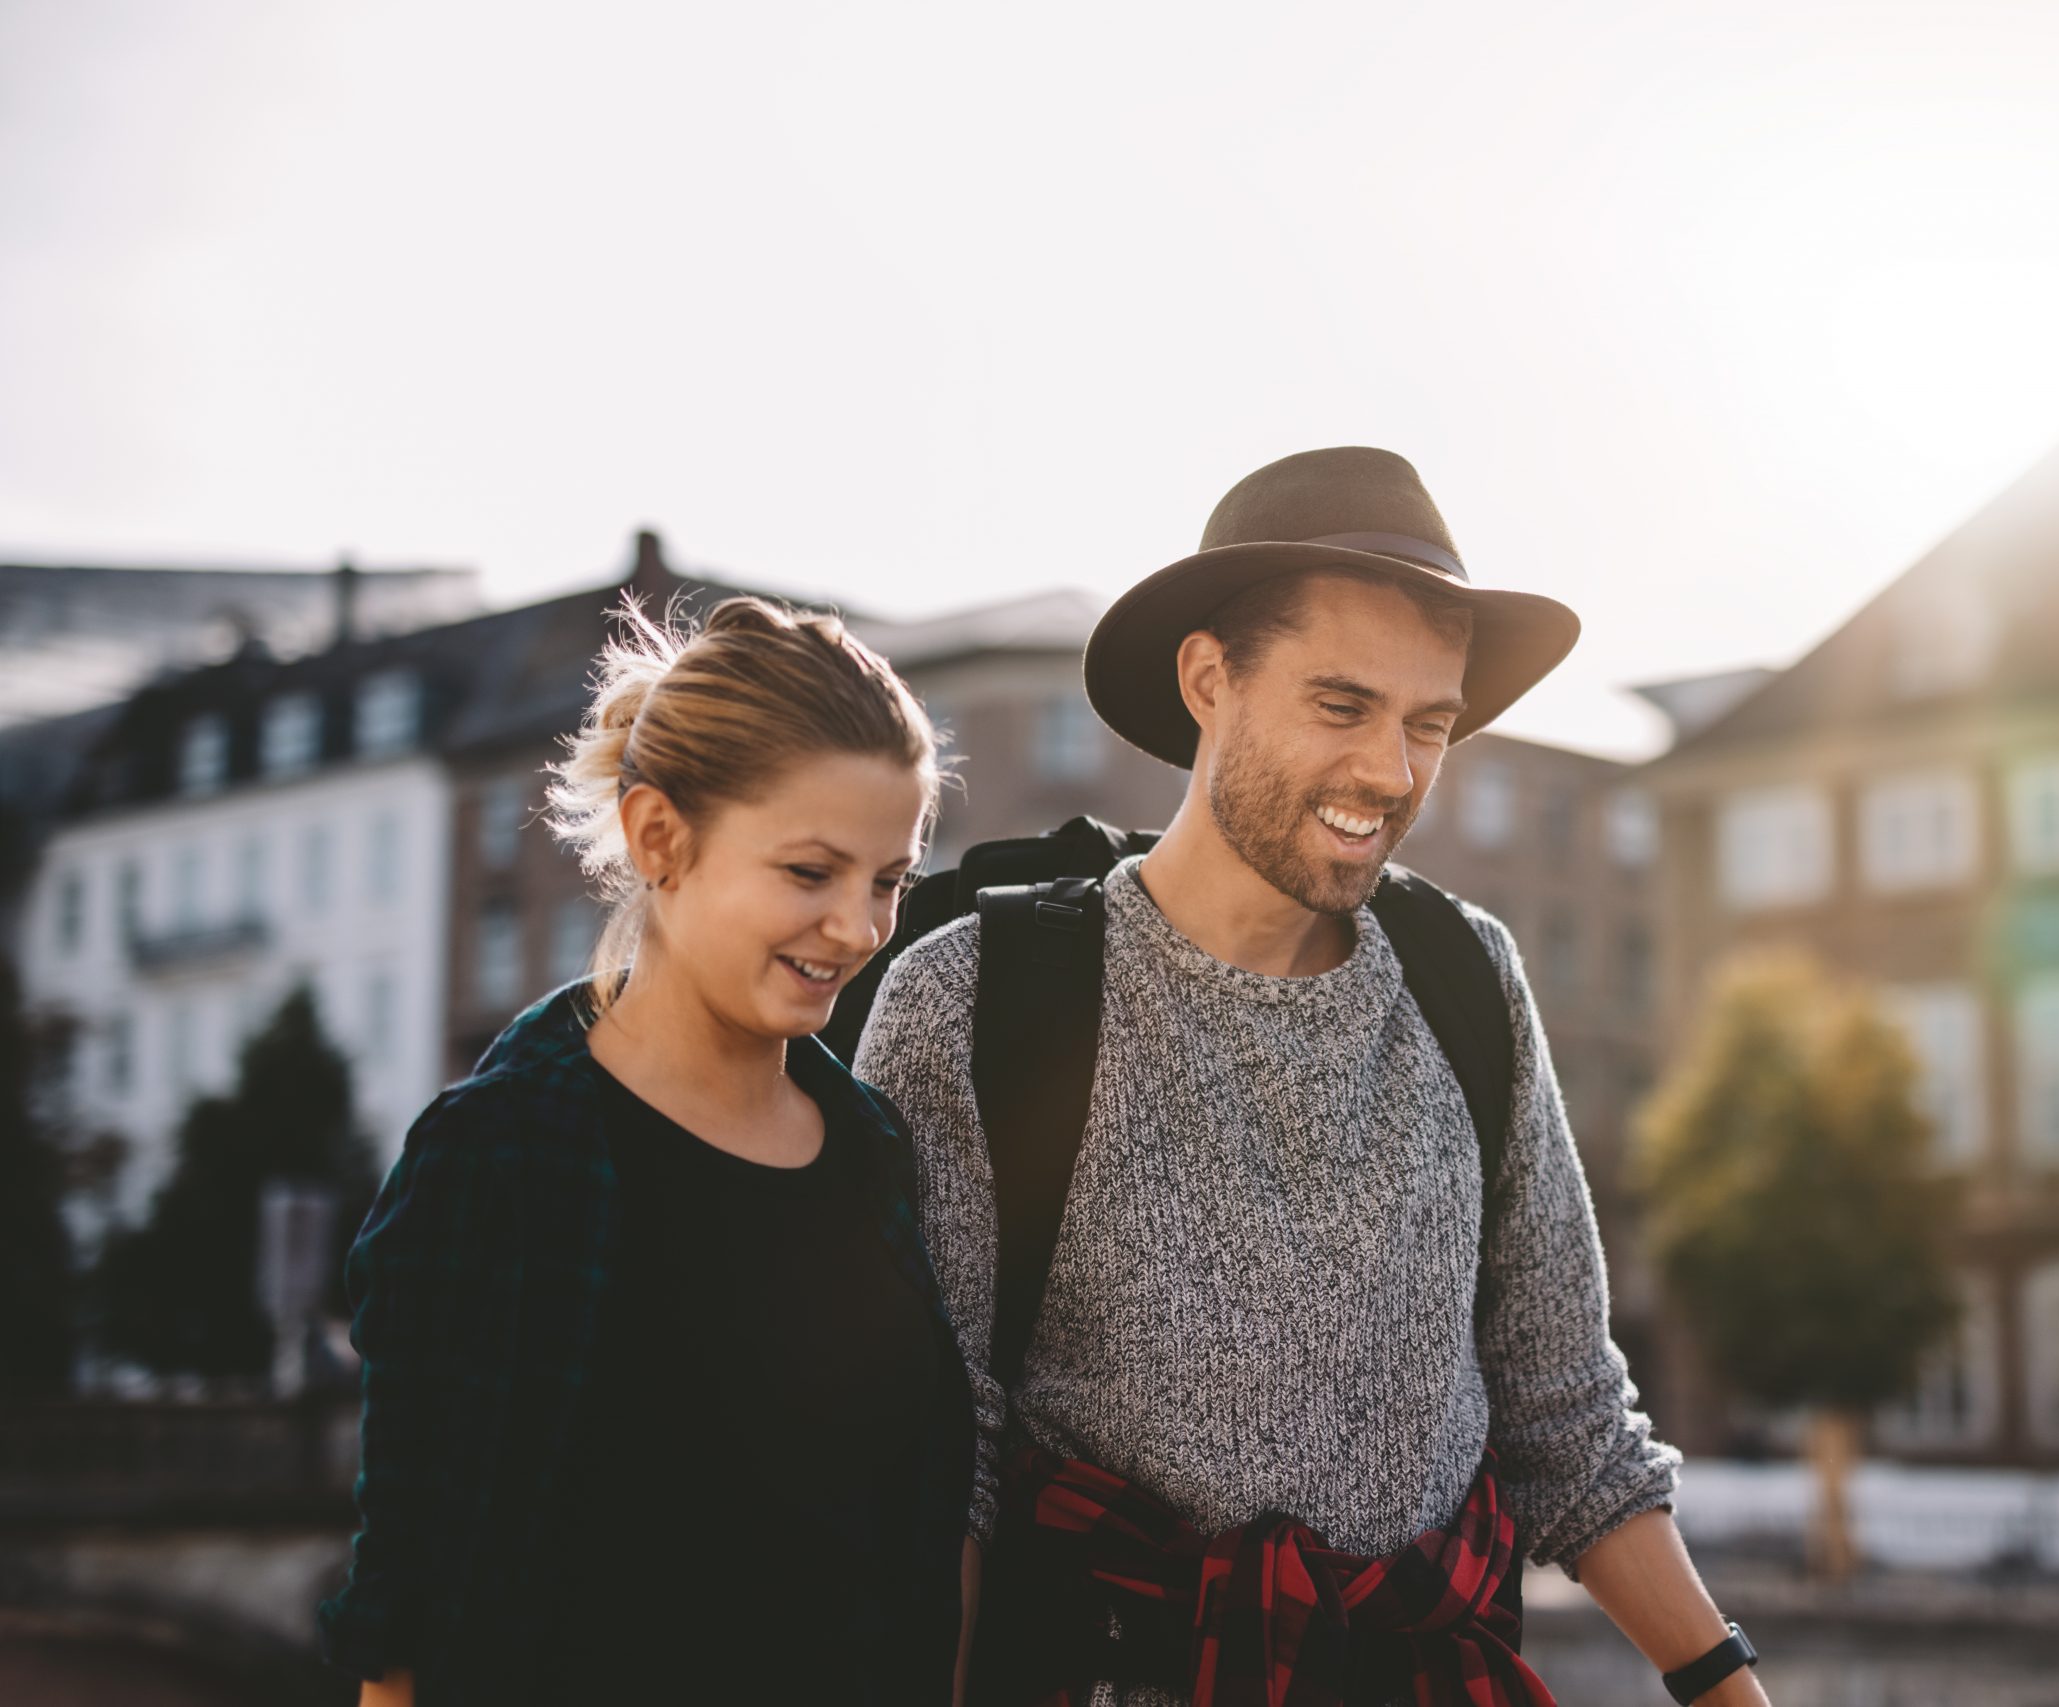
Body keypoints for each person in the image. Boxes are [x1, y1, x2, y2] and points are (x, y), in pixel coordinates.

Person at [857, 448, 1774, 1705]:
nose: (1390, 775)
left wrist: (1726, 1687)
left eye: (1427, 725)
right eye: (1341, 706)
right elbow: (932, 1471)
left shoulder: (1468, 980)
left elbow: (1566, 1416)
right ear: (1207, 681)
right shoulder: (977, 999)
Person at [319, 594, 977, 1706]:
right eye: (810, 873)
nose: (862, 929)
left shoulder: (871, 1151)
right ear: (658, 837)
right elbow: (405, 1608)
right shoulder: (498, 1159)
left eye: (888, 880)